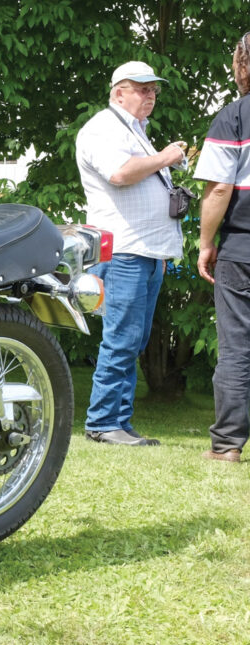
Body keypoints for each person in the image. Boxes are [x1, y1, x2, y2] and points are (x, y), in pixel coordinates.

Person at [76, 61, 186, 446]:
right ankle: (104, 422)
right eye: (141, 88)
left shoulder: (134, 130)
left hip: (146, 250)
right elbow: (120, 174)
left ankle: (118, 422)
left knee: (133, 339)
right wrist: (165, 158)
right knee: (122, 338)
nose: (150, 95)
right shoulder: (103, 128)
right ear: (117, 92)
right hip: (124, 249)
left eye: (153, 89)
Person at [194, 32, 250, 463]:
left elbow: (218, 191)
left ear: (242, 65)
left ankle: (228, 445)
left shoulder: (233, 117)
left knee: (236, 346)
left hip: (241, 249)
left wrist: (205, 242)